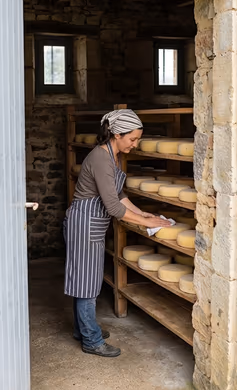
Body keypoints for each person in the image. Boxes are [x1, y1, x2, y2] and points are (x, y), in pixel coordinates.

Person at [65, 109, 172, 358]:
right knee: (87, 285)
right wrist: (145, 224)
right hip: (84, 222)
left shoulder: (113, 156)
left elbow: (119, 196)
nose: (135, 144)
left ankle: (83, 330)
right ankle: (91, 340)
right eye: (132, 139)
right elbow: (113, 207)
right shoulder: (101, 158)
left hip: (92, 222)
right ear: (116, 133)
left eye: (137, 140)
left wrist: (144, 214)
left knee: (86, 281)